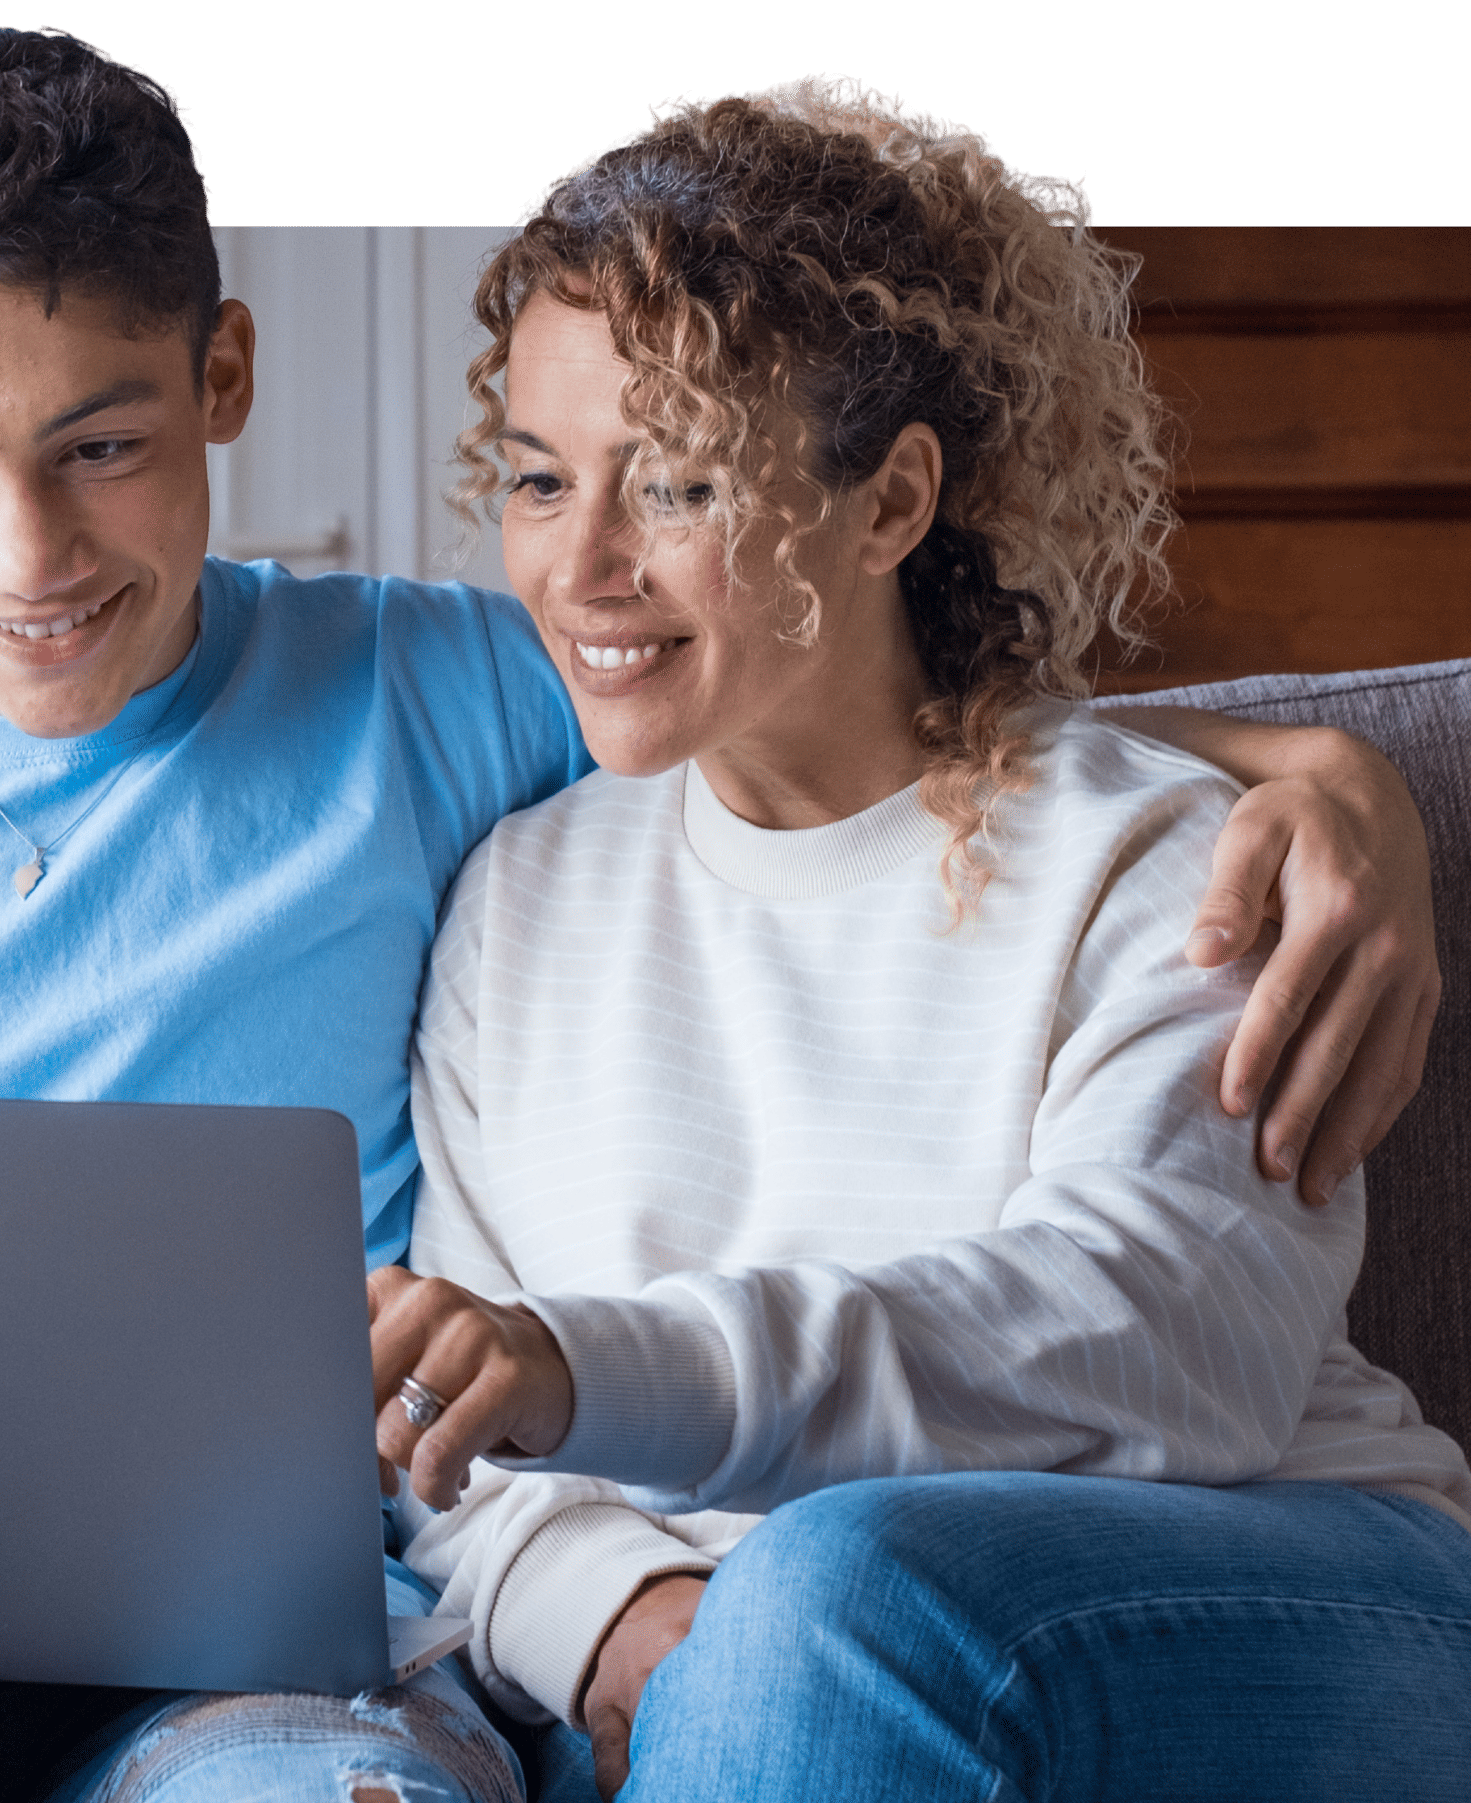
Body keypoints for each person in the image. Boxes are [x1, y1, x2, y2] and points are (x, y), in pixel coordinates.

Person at [0, 30, 1443, 1803]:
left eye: (101, 446)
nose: (28, 553)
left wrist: (1332, 778)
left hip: (270, 1677)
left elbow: (850, 706)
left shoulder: (440, 711)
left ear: (224, 374)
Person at [366, 79, 1471, 1803]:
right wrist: (620, 1614)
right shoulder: (518, 900)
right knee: (790, 1626)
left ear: (890, 505)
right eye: (537, 478)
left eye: (677, 484)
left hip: (1273, 1583)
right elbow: (461, 1452)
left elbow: (1158, 1343)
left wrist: (594, 1372)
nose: (580, 565)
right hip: (794, 1673)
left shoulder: (1167, 858)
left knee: (832, 1589)